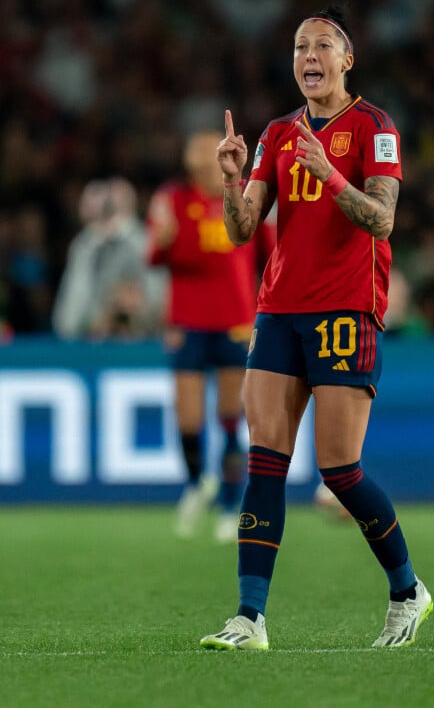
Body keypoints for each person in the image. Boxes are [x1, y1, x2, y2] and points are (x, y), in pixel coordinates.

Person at [200, 7, 433, 651]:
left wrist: (330, 175)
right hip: (278, 309)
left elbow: (382, 220)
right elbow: (243, 229)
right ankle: (250, 618)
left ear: (346, 59)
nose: (309, 54)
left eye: (322, 44)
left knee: (340, 471)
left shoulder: (374, 128)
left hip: (345, 310)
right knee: (265, 460)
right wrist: (229, 179)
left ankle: (407, 590)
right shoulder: (276, 133)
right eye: (300, 45)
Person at [146, 129, 274, 543]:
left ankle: (228, 504)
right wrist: (162, 240)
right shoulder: (173, 200)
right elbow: (155, 256)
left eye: (208, 147)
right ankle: (197, 482)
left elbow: (270, 252)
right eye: (197, 147)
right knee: (188, 418)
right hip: (186, 321)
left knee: (231, 418)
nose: (202, 154)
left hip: (235, 320)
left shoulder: (242, 197)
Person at [53, 177, 165, 339]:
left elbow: (161, 310)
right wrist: (102, 314)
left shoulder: (146, 243)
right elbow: (67, 323)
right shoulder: (85, 246)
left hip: (145, 344)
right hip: (91, 346)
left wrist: (136, 308)